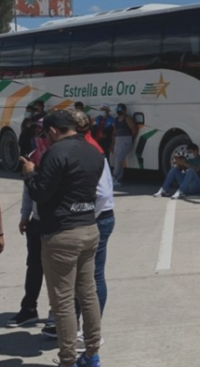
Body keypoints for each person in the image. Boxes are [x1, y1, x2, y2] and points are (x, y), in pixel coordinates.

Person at [21, 109, 104, 367]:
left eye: (47, 133)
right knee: (87, 293)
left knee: (63, 300)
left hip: (61, 233)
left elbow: (40, 193)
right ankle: (92, 354)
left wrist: (30, 172)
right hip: (89, 228)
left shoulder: (55, 153)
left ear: (54, 131)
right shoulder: (94, 152)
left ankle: (67, 359)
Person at [71, 108, 115, 353]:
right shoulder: (88, 146)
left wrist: (87, 217)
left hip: (97, 218)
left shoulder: (90, 150)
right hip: (98, 216)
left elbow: (102, 194)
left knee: (91, 277)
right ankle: (86, 329)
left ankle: (90, 332)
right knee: (88, 277)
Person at [8, 118, 51, 331]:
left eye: (42, 132)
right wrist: (25, 216)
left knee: (57, 271)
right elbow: (27, 190)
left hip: (57, 223)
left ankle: (55, 313)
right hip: (36, 222)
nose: (38, 136)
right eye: (36, 132)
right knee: (34, 266)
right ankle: (29, 308)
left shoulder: (59, 157)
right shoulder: (34, 157)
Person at [111, 103, 137, 187]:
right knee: (117, 160)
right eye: (118, 108)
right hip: (118, 141)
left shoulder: (128, 118)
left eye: (120, 108)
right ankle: (118, 179)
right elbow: (114, 132)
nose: (119, 110)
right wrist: (112, 143)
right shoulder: (116, 120)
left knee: (119, 159)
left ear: (125, 110)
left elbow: (134, 129)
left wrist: (130, 138)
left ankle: (114, 176)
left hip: (126, 140)